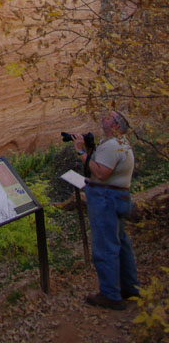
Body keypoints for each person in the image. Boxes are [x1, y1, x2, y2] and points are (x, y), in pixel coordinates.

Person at [72, 110, 139, 310]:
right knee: (121, 243)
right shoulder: (121, 144)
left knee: (105, 246)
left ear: (117, 125)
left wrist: (81, 152)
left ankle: (111, 295)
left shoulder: (112, 146)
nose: (103, 117)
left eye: (108, 116)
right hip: (117, 197)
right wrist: (91, 148)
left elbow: (101, 172)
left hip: (106, 200)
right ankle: (129, 288)